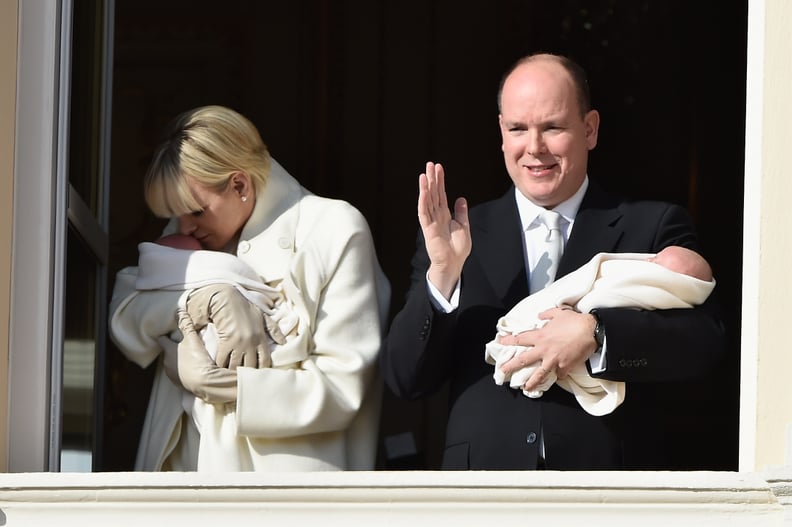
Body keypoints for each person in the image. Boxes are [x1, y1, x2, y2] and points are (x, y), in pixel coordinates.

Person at [380, 53, 726, 470]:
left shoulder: (652, 226)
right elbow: (404, 378)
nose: (534, 148)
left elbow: (704, 344)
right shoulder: (457, 235)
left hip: (609, 484)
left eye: (553, 127)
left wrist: (597, 334)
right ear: (502, 134)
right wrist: (443, 276)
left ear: (590, 129)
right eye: (518, 129)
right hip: (484, 489)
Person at [109, 105, 390, 472]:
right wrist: (199, 300)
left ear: (239, 184)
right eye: (176, 214)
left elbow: (342, 387)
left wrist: (229, 386)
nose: (184, 227)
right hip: (182, 478)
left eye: (196, 210)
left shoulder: (333, 229)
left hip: (278, 490)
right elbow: (126, 311)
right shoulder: (189, 235)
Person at [485, 246, 715, 417]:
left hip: (603, 450)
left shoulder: (660, 222)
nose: (651, 261)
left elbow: (702, 336)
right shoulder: (471, 227)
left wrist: (595, 330)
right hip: (488, 448)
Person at [137, 232, 299, 471]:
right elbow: (134, 300)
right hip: (191, 428)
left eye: (198, 210)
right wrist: (204, 297)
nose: (187, 225)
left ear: (241, 191)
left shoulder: (318, 229)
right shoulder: (178, 239)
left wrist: (236, 386)